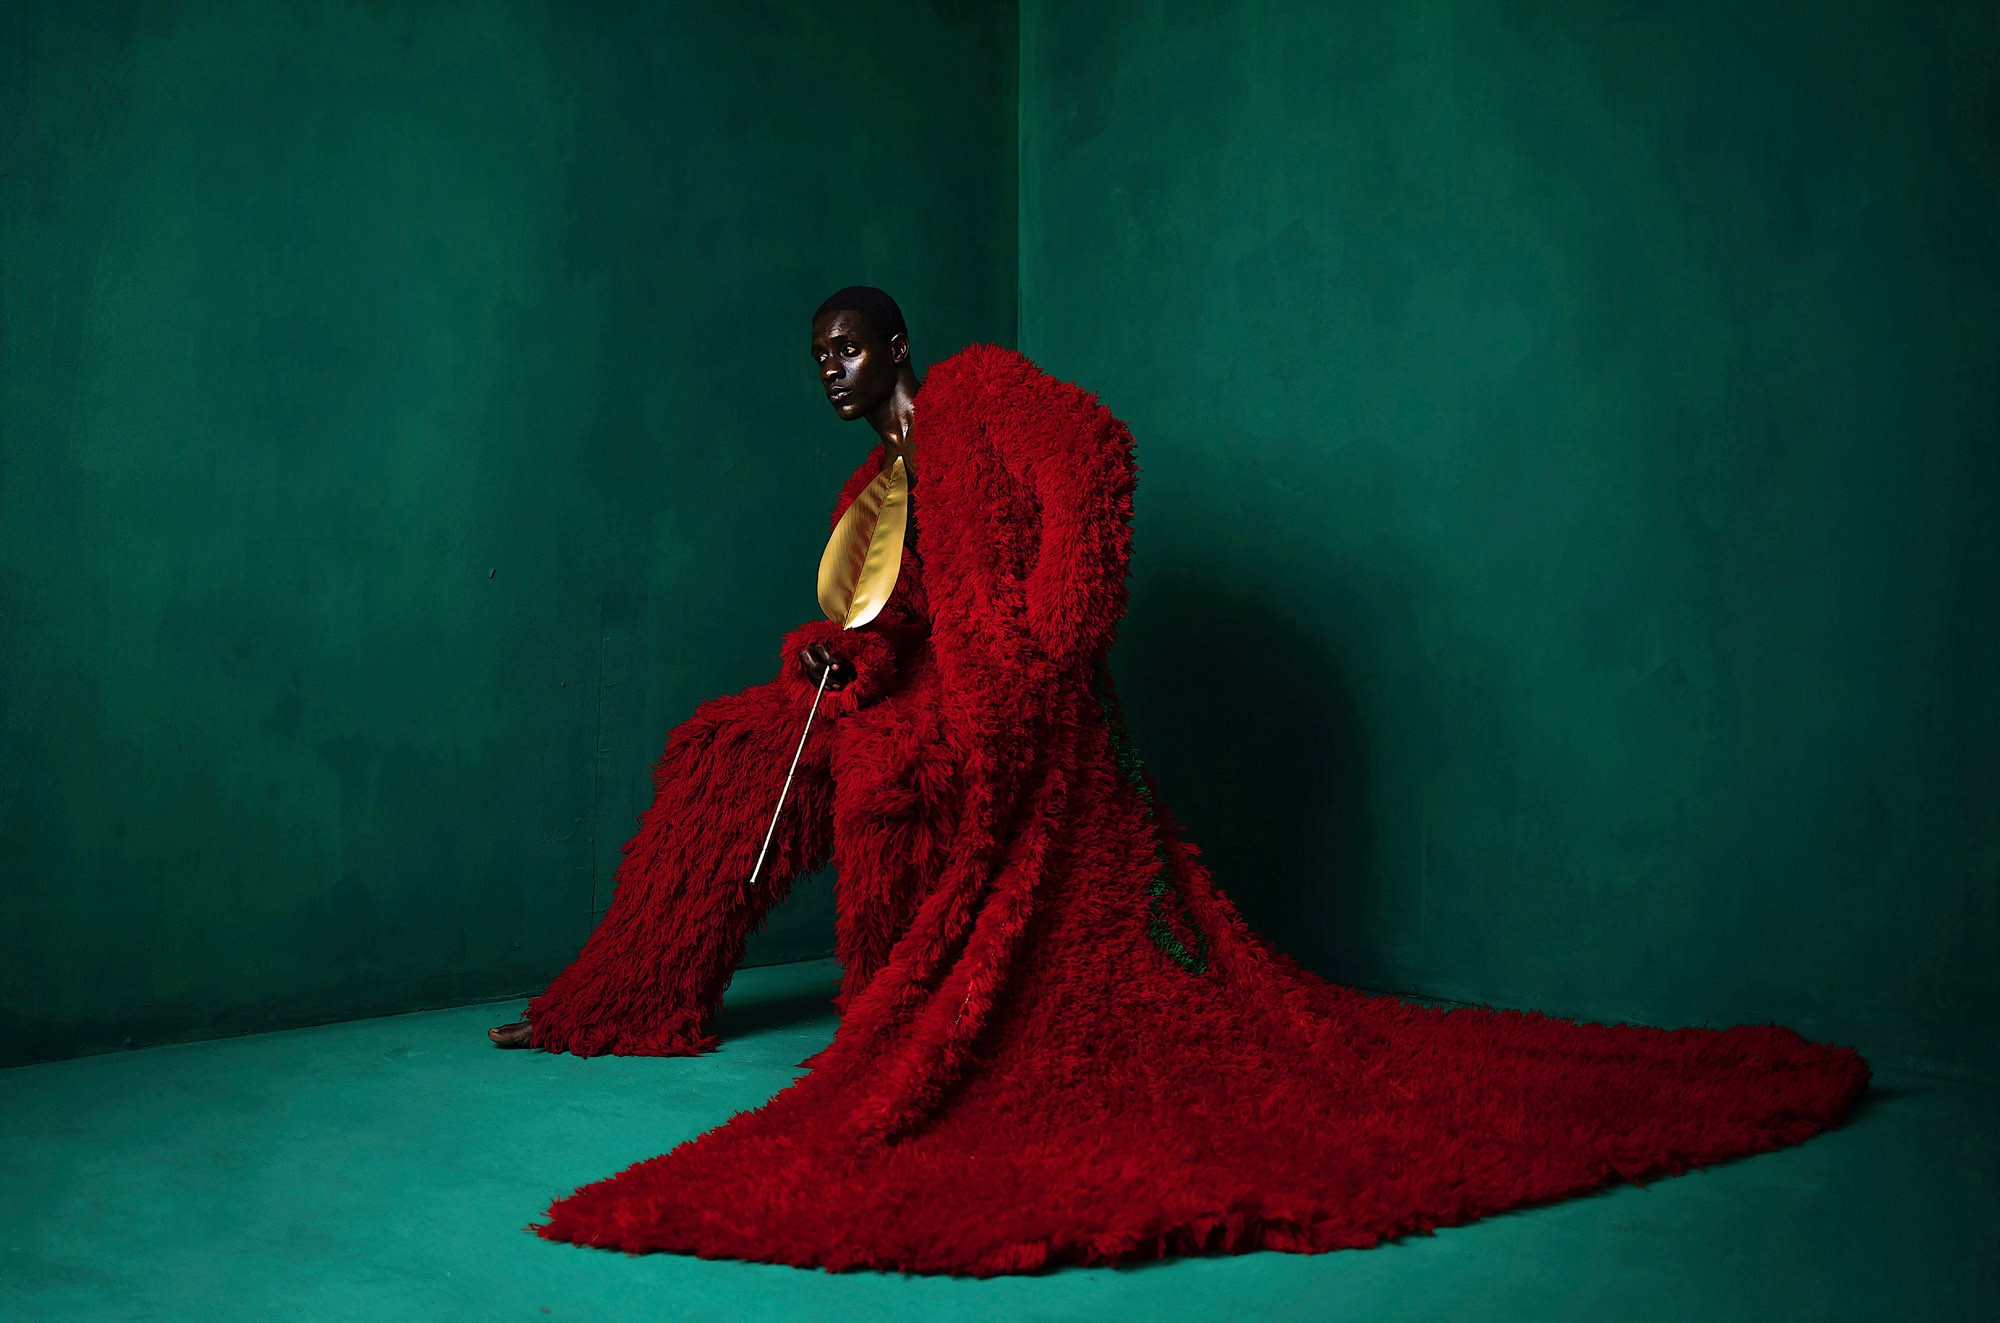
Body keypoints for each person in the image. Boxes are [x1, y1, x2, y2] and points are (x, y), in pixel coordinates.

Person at [493, 287, 1869, 1275]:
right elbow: (899, 616)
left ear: (899, 343)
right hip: (927, 702)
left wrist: (1052, 634)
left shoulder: (976, 391)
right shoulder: (875, 487)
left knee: (916, 832)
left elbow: (1096, 456)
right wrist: (840, 651)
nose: (834, 371)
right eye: (818, 361)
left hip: (1027, 717)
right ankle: (622, 1000)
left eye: (849, 347)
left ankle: (877, 1018)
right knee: (735, 753)